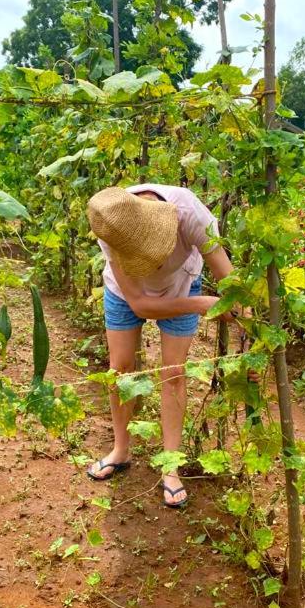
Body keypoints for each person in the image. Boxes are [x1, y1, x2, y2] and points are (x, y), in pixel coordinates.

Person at [85, 183, 237, 508]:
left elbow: (230, 279)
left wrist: (246, 320)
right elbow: (140, 304)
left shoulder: (193, 215)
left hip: (183, 283)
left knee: (174, 373)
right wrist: (199, 305)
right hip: (126, 296)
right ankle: (120, 450)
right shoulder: (111, 224)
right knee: (120, 370)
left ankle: (171, 467)